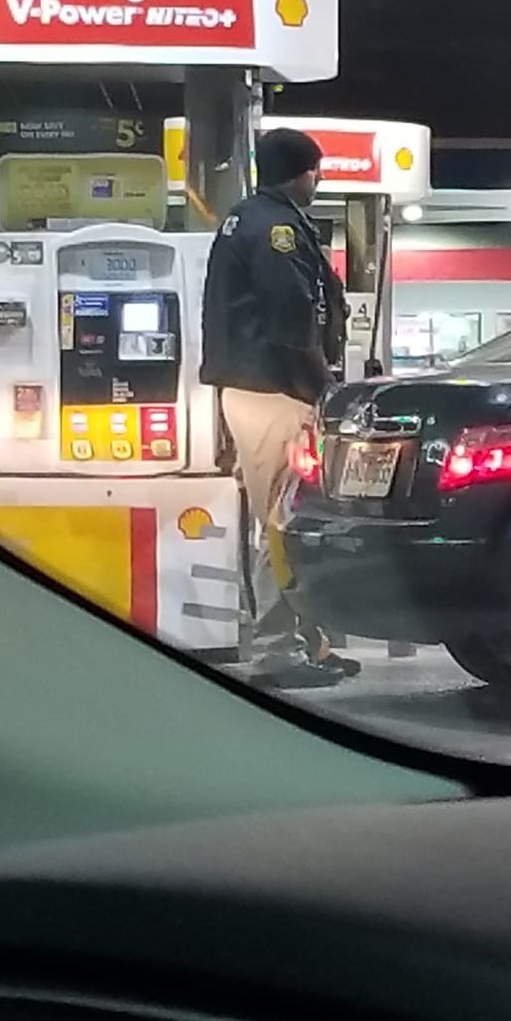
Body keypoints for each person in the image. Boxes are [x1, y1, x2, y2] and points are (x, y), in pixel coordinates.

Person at [200, 128, 355, 691]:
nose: (319, 180)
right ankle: (275, 649)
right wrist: (325, 390)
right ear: (304, 171)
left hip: (255, 390)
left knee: (284, 515)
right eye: (317, 171)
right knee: (282, 520)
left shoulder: (248, 218)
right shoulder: (279, 230)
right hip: (276, 392)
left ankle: (305, 641)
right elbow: (294, 323)